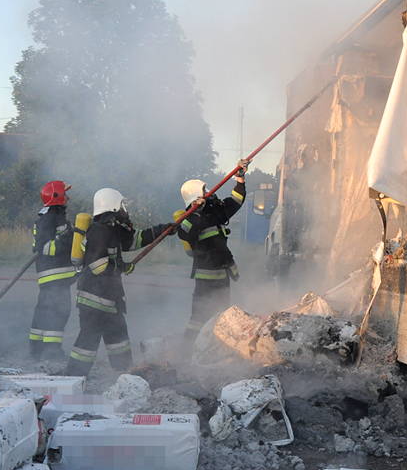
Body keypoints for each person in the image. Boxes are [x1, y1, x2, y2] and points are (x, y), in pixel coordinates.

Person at [64, 187, 173, 376]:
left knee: (119, 336)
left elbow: (134, 240)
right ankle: (74, 375)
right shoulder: (99, 231)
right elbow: (97, 266)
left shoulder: (112, 230)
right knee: (88, 340)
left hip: (110, 298)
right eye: (122, 205)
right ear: (113, 206)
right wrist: (123, 268)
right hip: (94, 299)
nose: (125, 209)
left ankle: (123, 370)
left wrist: (163, 229)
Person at [177, 159, 249, 345]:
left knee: (222, 318)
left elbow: (235, 201)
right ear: (195, 196)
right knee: (198, 319)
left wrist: (239, 180)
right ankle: (185, 351)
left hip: (222, 277)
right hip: (206, 279)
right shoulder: (192, 217)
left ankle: (215, 349)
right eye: (204, 190)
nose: (209, 193)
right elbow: (184, 233)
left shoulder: (213, 211)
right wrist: (196, 211)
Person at [29, 180, 76, 360]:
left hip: (53, 274)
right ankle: (51, 351)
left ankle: (36, 349)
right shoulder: (50, 217)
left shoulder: (51, 216)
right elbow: (45, 248)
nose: (68, 197)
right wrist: (71, 237)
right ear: (57, 196)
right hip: (54, 274)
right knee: (58, 311)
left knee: (44, 311)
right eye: (65, 194)